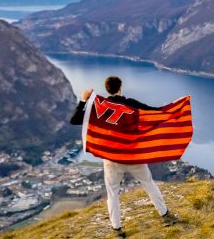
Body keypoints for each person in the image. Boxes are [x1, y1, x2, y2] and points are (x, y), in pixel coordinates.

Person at [70, 76, 177, 238]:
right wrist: (176, 109)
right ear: (120, 87)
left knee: (112, 193)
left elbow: (75, 120)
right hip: (134, 157)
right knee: (149, 184)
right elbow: (155, 113)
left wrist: (84, 101)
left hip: (112, 159)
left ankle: (117, 229)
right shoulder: (131, 104)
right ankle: (165, 215)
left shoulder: (99, 108)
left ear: (107, 89)